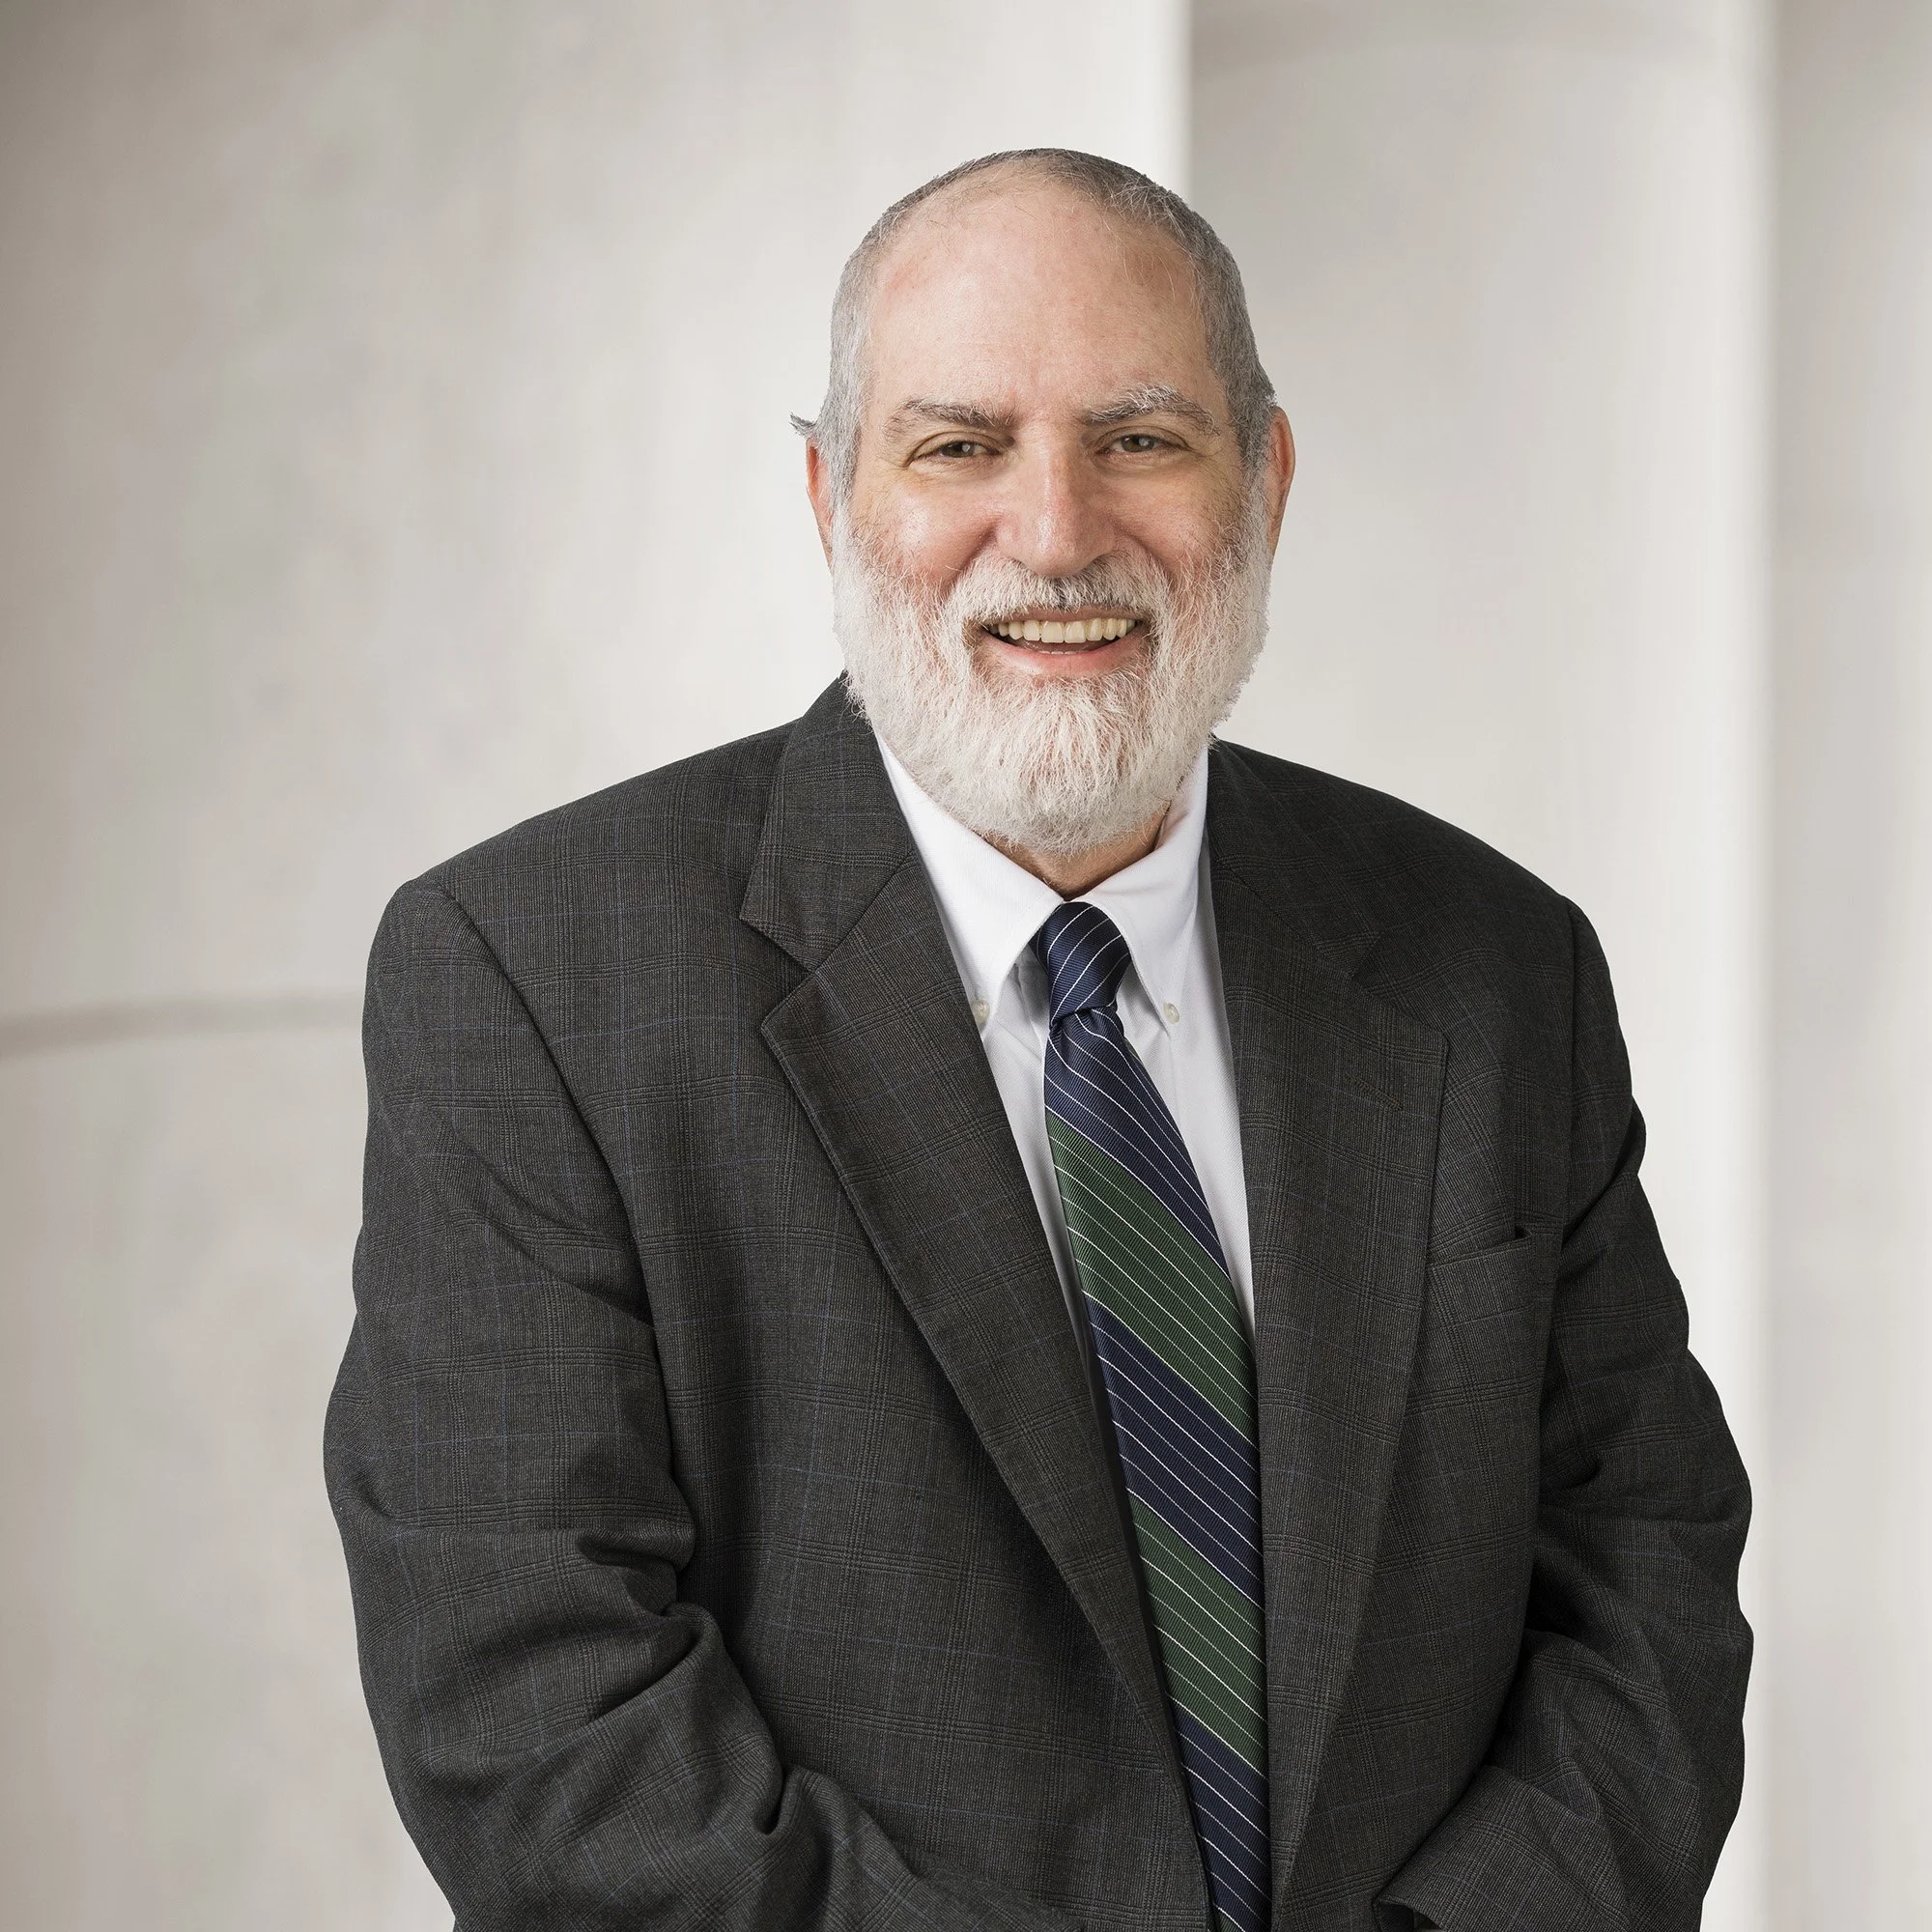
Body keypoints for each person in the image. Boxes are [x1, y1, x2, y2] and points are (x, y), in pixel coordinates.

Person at [326, 149, 1749, 1932]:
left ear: (1271, 479)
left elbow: (1649, 1581)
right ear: (834, 494)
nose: (1060, 530)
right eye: (959, 444)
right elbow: (538, 1713)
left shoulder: (1499, 966)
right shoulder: (533, 977)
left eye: (1142, 436)